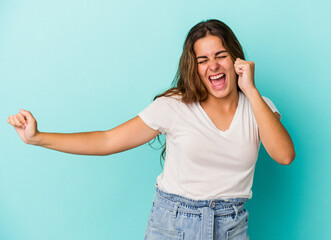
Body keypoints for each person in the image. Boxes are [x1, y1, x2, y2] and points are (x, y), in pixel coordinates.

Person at [8, 19, 295, 240]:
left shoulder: (259, 106)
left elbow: (284, 155)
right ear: (193, 67)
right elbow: (108, 140)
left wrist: (251, 90)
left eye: (220, 55)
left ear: (236, 60)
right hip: (174, 224)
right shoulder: (175, 106)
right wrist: (38, 138)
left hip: (231, 225)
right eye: (203, 60)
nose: (213, 66)